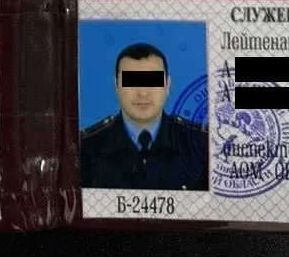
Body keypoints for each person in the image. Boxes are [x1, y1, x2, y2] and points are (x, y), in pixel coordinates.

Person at [80, 43, 209, 190]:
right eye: (131, 81)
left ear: (167, 85)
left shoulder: (201, 144)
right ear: (116, 85)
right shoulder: (85, 148)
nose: (142, 92)